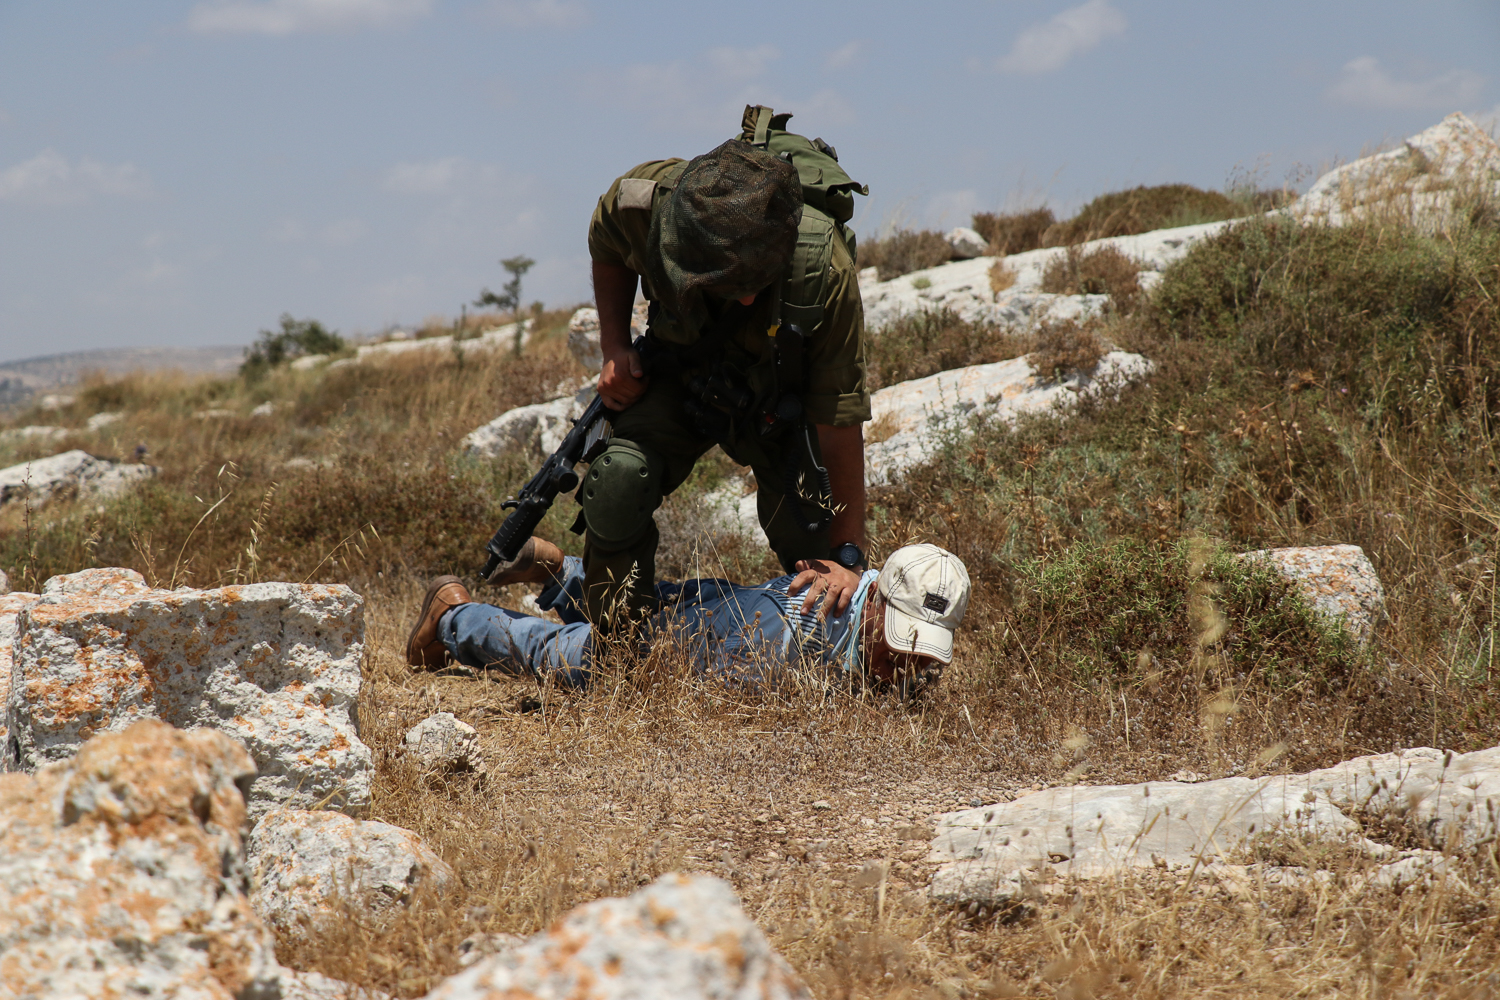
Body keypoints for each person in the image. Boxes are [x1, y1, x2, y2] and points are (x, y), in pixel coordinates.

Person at [558, 105, 871, 629]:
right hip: (680, 374)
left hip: (778, 406)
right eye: (728, 283)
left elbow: (838, 420)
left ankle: (564, 575)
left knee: (825, 583)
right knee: (616, 482)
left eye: (757, 282)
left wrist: (848, 557)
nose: (746, 299)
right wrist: (614, 346)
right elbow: (606, 242)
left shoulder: (824, 270)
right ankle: (615, 651)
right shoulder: (647, 201)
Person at [409, 538, 971, 692]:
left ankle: (565, 573)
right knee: (565, 656)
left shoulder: (860, 586)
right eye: (901, 643)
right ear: (876, 604)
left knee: (651, 600)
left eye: (922, 651)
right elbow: (708, 693)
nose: (908, 666)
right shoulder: (782, 648)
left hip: (729, 604)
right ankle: (454, 615)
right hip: (711, 644)